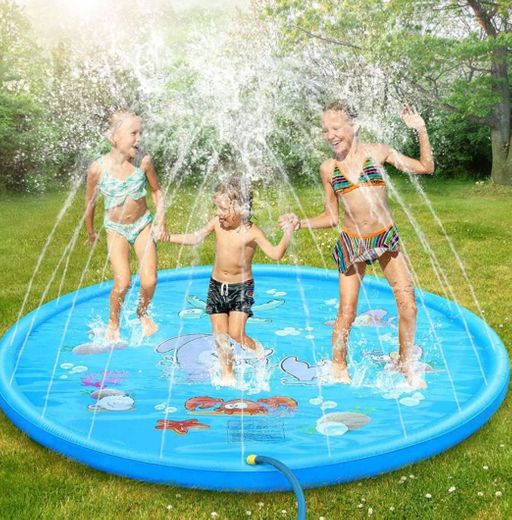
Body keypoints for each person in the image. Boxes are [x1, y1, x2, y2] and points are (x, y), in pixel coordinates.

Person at [283, 102, 434, 388]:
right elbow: (331, 217)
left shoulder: (377, 152)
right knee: (347, 312)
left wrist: (421, 130)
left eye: (336, 128)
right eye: (325, 130)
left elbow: (426, 167)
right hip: (352, 243)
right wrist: (299, 222)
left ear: (354, 126)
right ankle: (339, 365)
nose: (330, 135)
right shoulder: (329, 168)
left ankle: (405, 363)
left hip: (384, 238)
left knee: (408, 306)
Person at [158, 176, 298, 385]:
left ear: (241, 208)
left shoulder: (252, 232)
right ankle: (228, 374)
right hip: (216, 286)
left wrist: (287, 232)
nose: (218, 213)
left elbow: (276, 254)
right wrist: (169, 237)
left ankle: (258, 352)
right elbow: (196, 237)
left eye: (223, 208)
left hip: (241, 288)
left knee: (236, 334)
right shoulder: (217, 224)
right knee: (220, 336)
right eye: (217, 208)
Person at [84, 110, 167, 342]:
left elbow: (156, 191)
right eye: (133, 133)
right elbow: (89, 202)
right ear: (114, 137)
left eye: (140, 132)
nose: (139, 138)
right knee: (123, 281)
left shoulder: (144, 162)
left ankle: (142, 312)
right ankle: (114, 321)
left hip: (142, 225)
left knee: (149, 280)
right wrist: (90, 231)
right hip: (116, 229)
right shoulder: (97, 169)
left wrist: (161, 219)